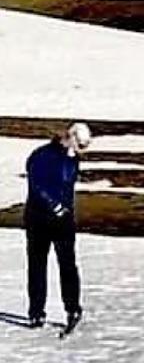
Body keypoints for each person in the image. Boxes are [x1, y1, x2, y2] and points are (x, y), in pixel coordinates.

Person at [25, 122, 91, 330]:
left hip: (64, 221)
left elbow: (67, 182)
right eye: (80, 144)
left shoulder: (71, 158)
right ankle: (36, 312)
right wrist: (54, 206)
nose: (82, 150)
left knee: (68, 264)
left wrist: (65, 210)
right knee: (37, 265)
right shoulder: (41, 155)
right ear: (70, 137)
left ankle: (72, 307)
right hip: (39, 219)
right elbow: (36, 184)